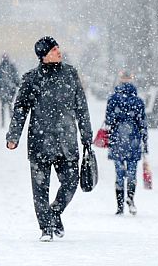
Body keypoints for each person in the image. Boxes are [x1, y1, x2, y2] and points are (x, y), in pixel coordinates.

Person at [6, 36, 93, 242]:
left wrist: (86, 135)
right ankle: (45, 228)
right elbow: (20, 110)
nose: (58, 51)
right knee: (40, 189)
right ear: (43, 55)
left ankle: (55, 212)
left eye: (58, 48)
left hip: (67, 142)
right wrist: (13, 136)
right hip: (40, 142)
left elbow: (81, 106)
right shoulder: (31, 79)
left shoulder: (70, 74)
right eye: (54, 49)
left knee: (71, 183)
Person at [103, 70, 148, 216]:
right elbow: (143, 124)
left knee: (119, 173)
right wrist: (145, 143)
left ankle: (119, 205)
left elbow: (108, 120)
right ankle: (131, 198)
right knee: (132, 172)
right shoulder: (138, 101)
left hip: (117, 140)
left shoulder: (113, 99)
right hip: (133, 140)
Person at [0, 54, 20, 127]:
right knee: (9, 105)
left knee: (4, 106)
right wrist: (17, 84)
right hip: (9, 89)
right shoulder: (10, 67)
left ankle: (4, 122)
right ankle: (11, 121)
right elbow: (16, 77)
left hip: (5, 90)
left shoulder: (1, 67)